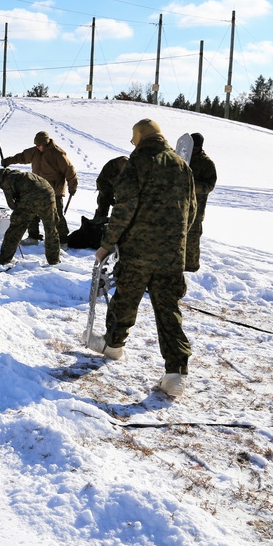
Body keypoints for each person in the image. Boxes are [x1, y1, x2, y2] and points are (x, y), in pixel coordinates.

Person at [93, 118, 196, 398]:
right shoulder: (181, 165)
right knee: (168, 311)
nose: (131, 143)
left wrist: (106, 245)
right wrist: (176, 241)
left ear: (140, 137)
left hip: (137, 252)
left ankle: (113, 345)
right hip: (171, 253)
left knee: (125, 299)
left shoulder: (136, 164)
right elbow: (191, 211)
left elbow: (123, 209)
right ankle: (176, 374)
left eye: (133, 136)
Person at [1, 130, 78, 246]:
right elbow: (21, 157)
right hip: (36, 189)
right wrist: (8, 161)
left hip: (54, 191)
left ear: (46, 143)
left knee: (56, 216)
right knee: (31, 213)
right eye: (36, 145)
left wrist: (72, 187)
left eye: (40, 145)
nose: (38, 147)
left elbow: (70, 170)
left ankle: (63, 240)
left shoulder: (58, 154)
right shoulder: (34, 151)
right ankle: (33, 237)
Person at [0, 168, 61, 266]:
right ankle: (54, 261)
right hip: (49, 192)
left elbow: (12, 204)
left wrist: (19, 208)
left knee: (16, 228)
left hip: (32, 196)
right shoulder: (21, 175)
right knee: (51, 228)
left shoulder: (6, 181)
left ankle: (3, 259)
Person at [186, 133, 217, 272]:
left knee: (192, 241)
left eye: (195, 148)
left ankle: (191, 269)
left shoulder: (207, 163)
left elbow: (209, 186)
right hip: (177, 206)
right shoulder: (181, 156)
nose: (192, 150)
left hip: (196, 209)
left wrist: (192, 185)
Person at [92, 155, 129, 222]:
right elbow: (101, 182)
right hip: (106, 187)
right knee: (103, 207)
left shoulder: (130, 167)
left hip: (121, 188)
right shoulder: (109, 167)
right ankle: (96, 225)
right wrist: (107, 196)